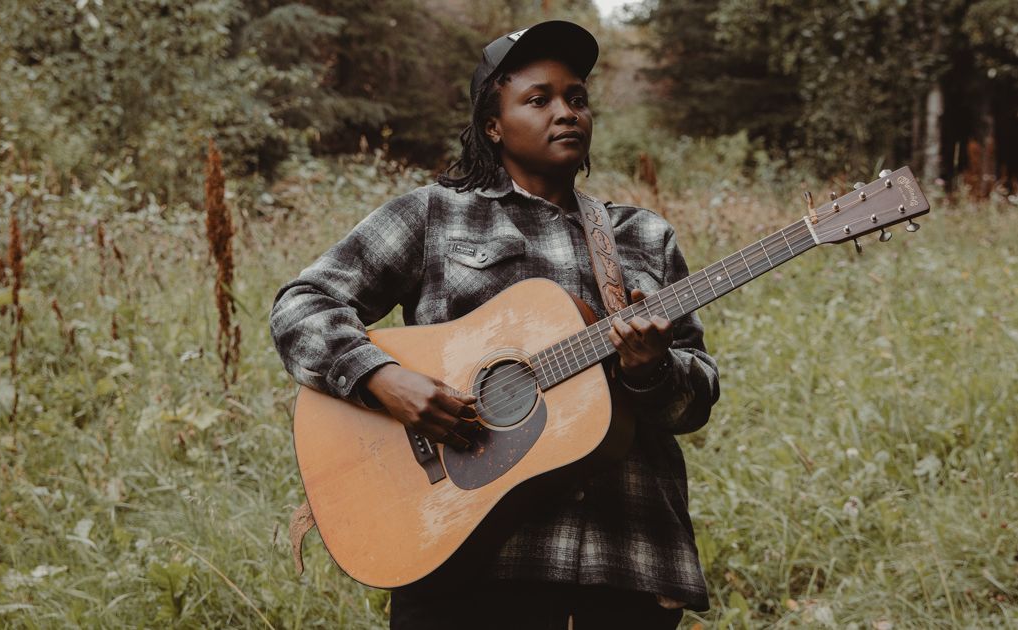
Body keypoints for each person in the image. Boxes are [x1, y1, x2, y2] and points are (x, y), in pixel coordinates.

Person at [270, 20, 719, 629]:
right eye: (539, 99)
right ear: (493, 125)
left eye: (577, 98)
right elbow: (302, 303)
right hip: (466, 560)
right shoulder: (433, 216)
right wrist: (381, 379)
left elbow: (692, 404)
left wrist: (653, 369)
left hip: (626, 555)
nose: (566, 112)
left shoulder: (643, 237)